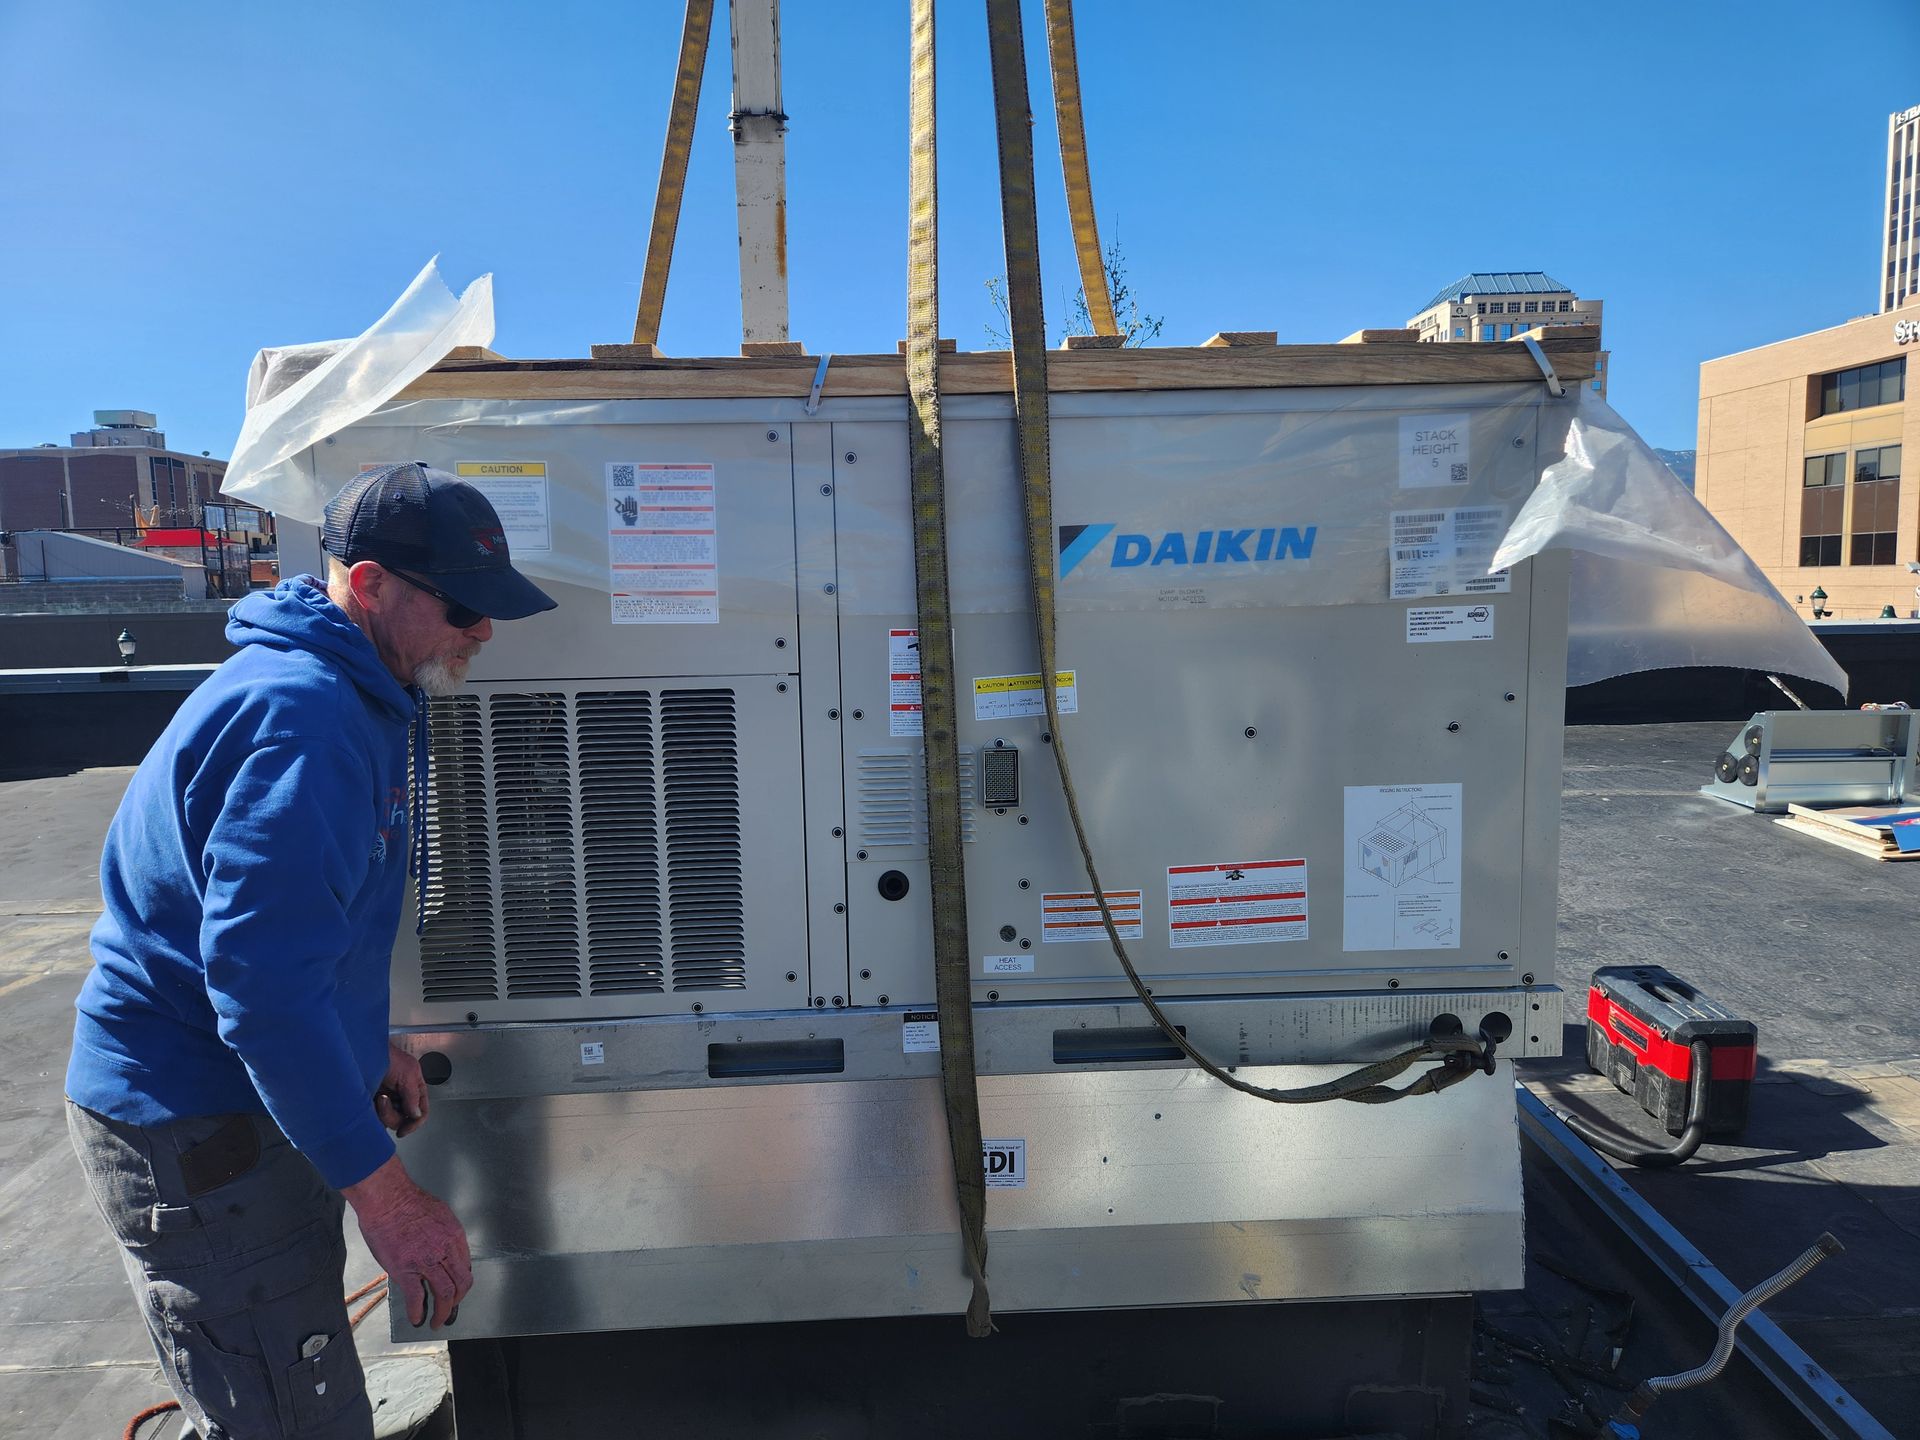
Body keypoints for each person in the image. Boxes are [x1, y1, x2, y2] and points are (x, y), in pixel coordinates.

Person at [64, 462, 556, 1439]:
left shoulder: (350, 691)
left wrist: (363, 1042)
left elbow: (301, 932)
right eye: (462, 606)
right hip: (196, 1132)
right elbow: (260, 985)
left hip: (225, 1110)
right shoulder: (310, 720)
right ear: (368, 584)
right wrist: (387, 1197)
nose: (481, 632)